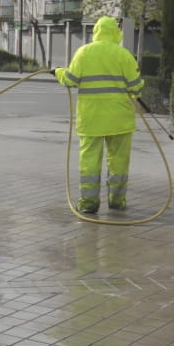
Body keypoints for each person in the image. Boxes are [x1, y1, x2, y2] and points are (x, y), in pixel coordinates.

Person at [54, 15, 144, 215]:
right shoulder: (124, 55)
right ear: (115, 33)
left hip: (91, 120)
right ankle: (117, 201)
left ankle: (89, 204)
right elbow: (136, 86)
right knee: (119, 162)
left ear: (96, 31)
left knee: (89, 163)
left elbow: (70, 80)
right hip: (120, 121)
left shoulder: (84, 52)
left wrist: (58, 71)